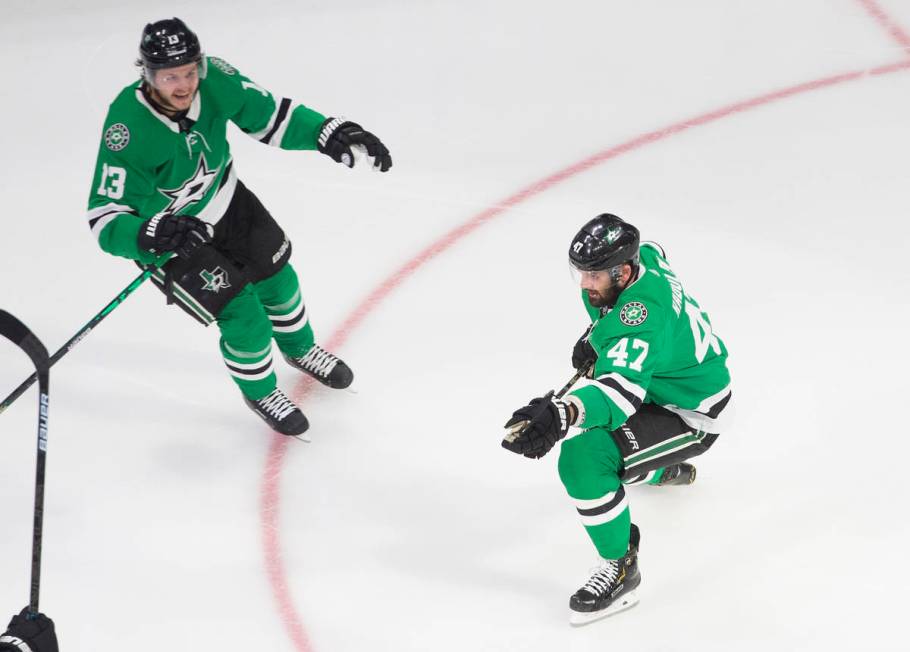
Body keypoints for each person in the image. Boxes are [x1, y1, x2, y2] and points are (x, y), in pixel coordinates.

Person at [86, 17, 392, 436]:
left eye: (190, 71)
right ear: (147, 73)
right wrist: (149, 233)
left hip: (228, 201)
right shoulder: (127, 128)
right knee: (244, 315)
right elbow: (105, 219)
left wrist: (325, 132)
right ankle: (261, 391)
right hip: (175, 236)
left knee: (280, 280)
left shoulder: (217, 78)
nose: (184, 85)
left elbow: (270, 116)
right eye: (170, 76)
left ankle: (300, 350)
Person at [502, 214, 731, 625]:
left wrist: (562, 412)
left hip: (689, 411)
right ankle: (660, 470)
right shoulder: (643, 260)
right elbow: (657, 251)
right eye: (580, 273)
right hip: (662, 385)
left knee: (583, 459)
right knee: (601, 435)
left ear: (622, 271)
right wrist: (597, 337)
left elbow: (622, 395)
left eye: (593, 275)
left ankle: (621, 567)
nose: (586, 285)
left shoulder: (640, 317)